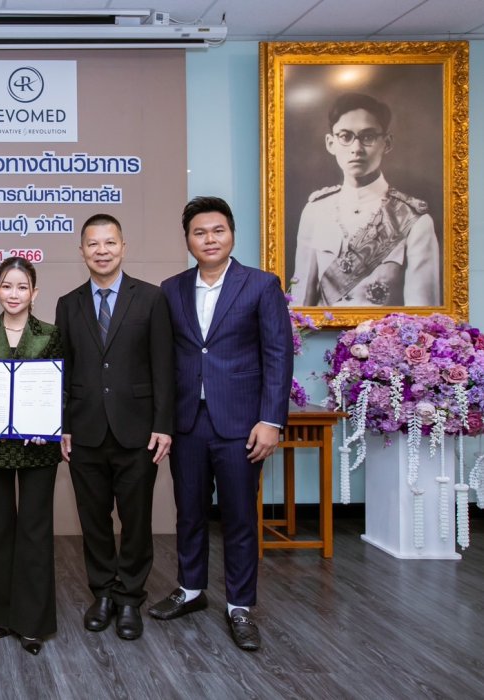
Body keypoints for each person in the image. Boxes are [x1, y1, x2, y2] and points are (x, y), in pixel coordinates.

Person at [151, 196, 293, 652]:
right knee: (189, 511)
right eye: (199, 232)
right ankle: (190, 590)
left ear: (232, 234)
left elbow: (278, 355)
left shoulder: (260, 285)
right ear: (187, 239)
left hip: (241, 425)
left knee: (238, 517)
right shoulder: (170, 289)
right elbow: (165, 358)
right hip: (189, 421)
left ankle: (240, 606)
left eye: (217, 231)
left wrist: (271, 419)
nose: (209, 239)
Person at [54, 213, 174, 642]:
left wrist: (164, 424)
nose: (101, 251)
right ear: (81, 250)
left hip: (138, 431)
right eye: (93, 244)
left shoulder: (152, 299)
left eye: (109, 243)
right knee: (94, 520)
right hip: (85, 431)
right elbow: (64, 371)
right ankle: (102, 592)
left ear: (123, 247)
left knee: (137, 520)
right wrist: (63, 425)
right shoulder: (68, 304)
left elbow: (164, 366)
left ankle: (129, 598)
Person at [0, 256, 62, 656]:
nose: (14, 294)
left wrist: (48, 424)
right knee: (0, 531)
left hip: (38, 449)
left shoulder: (52, 333)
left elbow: (61, 385)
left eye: (22, 287)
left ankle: (33, 623)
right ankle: (3, 615)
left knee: (35, 533)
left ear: (35, 293)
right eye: (7, 286)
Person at [291, 92, 440, 307]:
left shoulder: (415, 220)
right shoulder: (315, 211)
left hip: (386, 340)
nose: (356, 148)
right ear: (331, 143)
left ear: (387, 143)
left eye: (368, 137)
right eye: (345, 136)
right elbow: (299, 305)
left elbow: (422, 317)